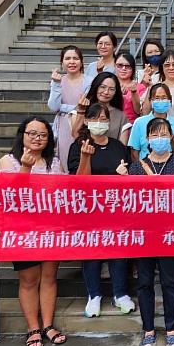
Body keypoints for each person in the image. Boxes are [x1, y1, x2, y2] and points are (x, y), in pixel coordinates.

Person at [0, 117, 67, 346]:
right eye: (32, 133)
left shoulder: (54, 162)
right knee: (29, 280)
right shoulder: (8, 161)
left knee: (49, 276)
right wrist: (25, 168)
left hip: (51, 227)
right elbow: (7, 197)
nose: (37, 138)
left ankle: (48, 325)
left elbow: (66, 191)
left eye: (43, 135)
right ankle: (33, 328)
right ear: (22, 135)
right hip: (22, 230)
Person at [67, 103, 135, 318]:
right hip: (90, 208)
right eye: (94, 118)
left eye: (104, 118)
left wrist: (124, 176)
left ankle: (120, 294)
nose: (100, 123)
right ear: (86, 121)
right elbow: (79, 180)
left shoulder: (117, 146)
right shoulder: (78, 145)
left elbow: (128, 174)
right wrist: (86, 157)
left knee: (118, 252)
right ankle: (94, 295)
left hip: (116, 208)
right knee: (92, 253)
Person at [128, 117, 174, 346]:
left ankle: (171, 328)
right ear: (147, 139)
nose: (159, 138)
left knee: (170, 282)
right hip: (144, 233)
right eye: (154, 135)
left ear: (171, 136)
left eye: (164, 133)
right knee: (144, 282)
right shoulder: (136, 167)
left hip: (170, 233)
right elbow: (131, 202)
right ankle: (148, 330)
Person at [48, 45, 92, 172]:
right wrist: (55, 84)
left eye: (75, 58)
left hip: (82, 122)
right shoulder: (58, 81)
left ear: (81, 61)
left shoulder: (89, 81)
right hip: (63, 125)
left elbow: (86, 105)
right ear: (62, 62)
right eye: (67, 58)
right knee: (64, 155)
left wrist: (63, 108)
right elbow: (53, 106)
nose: (72, 62)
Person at [128, 83, 174, 160]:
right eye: (157, 98)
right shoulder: (140, 122)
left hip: (169, 166)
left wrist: (170, 136)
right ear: (151, 101)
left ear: (170, 100)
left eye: (164, 98)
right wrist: (141, 168)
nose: (160, 101)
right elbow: (134, 151)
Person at [72, 72, 130, 145]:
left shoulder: (121, 116)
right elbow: (75, 135)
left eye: (111, 89)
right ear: (96, 87)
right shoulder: (80, 109)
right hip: (84, 154)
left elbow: (122, 147)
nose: (106, 92)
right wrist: (81, 111)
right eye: (102, 87)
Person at [114, 52, 141, 123]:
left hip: (131, 125)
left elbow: (138, 111)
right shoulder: (109, 84)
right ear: (114, 66)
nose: (123, 68)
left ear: (133, 68)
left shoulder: (140, 87)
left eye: (128, 66)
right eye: (120, 65)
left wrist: (134, 93)